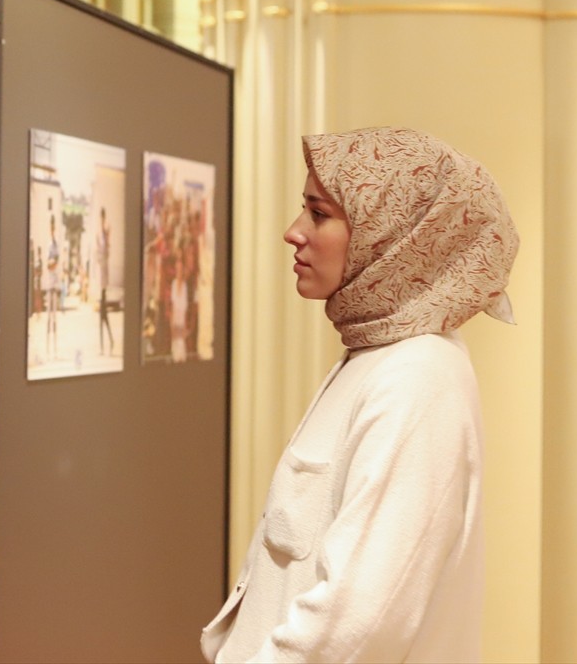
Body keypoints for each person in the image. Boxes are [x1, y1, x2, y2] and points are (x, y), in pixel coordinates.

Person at [201, 126, 519, 662]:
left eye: (318, 213)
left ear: (394, 233)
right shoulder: (377, 354)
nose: (293, 232)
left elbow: (360, 619)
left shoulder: (417, 378)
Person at [96, 207, 115, 355]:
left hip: (104, 274)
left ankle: (105, 344)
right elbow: (99, 253)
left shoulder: (105, 234)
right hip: (101, 273)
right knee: (102, 316)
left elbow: (107, 251)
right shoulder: (99, 235)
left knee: (102, 315)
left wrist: (107, 235)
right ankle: (107, 342)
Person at [45, 212, 60, 359]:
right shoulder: (49, 244)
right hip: (50, 284)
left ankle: (54, 347)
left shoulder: (56, 244)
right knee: (49, 317)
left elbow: (55, 261)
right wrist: (52, 262)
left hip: (54, 284)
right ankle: (47, 346)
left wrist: (53, 262)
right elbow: (48, 264)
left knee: (54, 317)